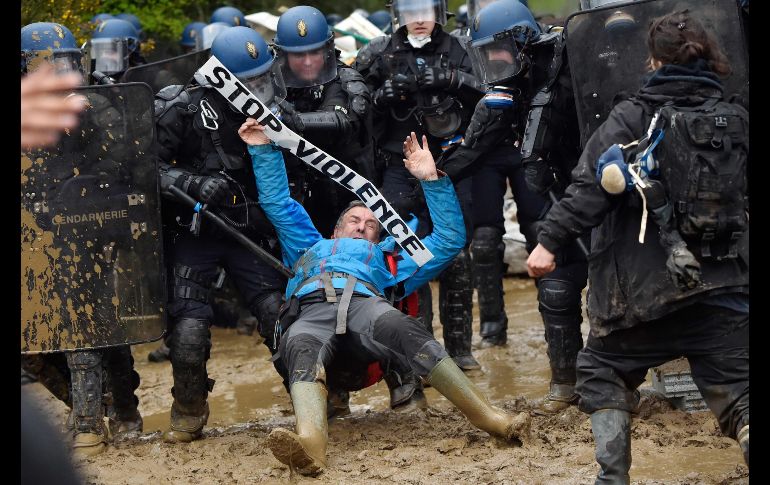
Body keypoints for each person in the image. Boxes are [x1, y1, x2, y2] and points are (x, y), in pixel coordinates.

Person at [527, 10, 749, 482]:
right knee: (741, 394)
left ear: (652, 61)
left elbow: (589, 189)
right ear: (712, 56)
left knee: (600, 371)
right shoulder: (736, 119)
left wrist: (548, 242)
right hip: (726, 289)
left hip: (641, 294)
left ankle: (613, 478)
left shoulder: (632, 118)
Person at [241, 120, 530, 476]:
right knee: (298, 343)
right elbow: (277, 202)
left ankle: (491, 418)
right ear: (335, 229)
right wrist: (261, 148)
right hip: (310, 309)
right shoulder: (307, 244)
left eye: (371, 223)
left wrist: (432, 180)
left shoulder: (392, 261)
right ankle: (310, 444)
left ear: (380, 237)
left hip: (367, 307)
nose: (362, 225)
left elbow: (450, 240)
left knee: (401, 325)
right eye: (353, 220)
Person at [438, 0, 588, 413]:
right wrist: (431, 174)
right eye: (487, 55)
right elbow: (473, 151)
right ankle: (565, 385)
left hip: (598, 191)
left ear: (522, 43)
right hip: (565, 193)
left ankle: (619, 379)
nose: (494, 62)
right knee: (556, 288)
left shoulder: (570, 67)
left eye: (499, 51)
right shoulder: (510, 92)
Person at [153, 26, 288, 443]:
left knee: (279, 316)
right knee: (190, 330)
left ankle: (313, 398)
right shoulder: (180, 106)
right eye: (248, 82)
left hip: (251, 225)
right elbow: (141, 167)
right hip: (197, 227)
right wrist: (191, 183)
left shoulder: (278, 108)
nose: (258, 88)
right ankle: (189, 410)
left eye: (262, 79)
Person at [22, 21, 145, 458]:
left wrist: (87, 115)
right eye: (52, 66)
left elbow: (125, 159)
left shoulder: (97, 106)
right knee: (32, 342)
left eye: (69, 64)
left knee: (86, 324)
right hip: (33, 239)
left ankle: (101, 420)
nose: (63, 75)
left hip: (87, 231)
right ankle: (93, 405)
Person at [355, 0, 484, 375]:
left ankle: (461, 351)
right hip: (396, 164)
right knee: (406, 250)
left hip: (450, 160)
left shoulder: (461, 46)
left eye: (426, 9)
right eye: (411, 11)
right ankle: (418, 348)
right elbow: (353, 106)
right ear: (398, 13)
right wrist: (381, 97)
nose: (420, 19)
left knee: (458, 253)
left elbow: (489, 93)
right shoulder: (377, 51)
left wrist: (453, 80)